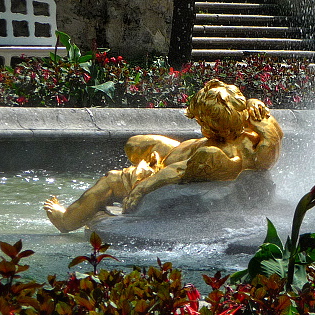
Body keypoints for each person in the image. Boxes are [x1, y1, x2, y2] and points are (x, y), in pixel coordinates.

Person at [44, 79, 284, 232]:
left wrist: (143, 185)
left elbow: (179, 171)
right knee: (134, 144)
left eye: (200, 121)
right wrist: (256, 108)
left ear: (210, 124)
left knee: (110, 179)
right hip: (175, 152)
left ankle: (66, 221)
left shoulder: (215, 154)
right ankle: (97, 213)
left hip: (161, 168)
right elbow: (272, 139)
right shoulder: (252, 134)